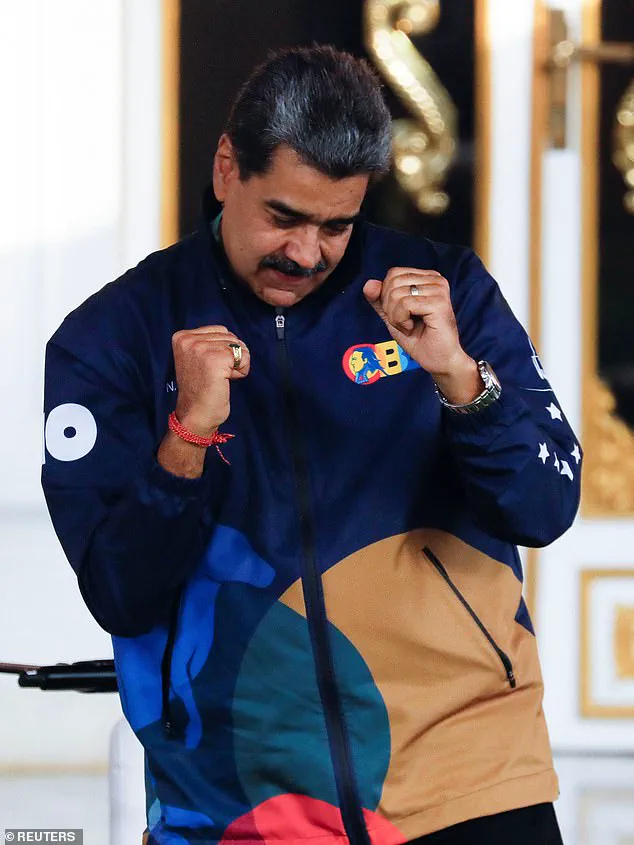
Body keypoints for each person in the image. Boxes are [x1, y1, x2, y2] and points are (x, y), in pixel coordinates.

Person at [42, 45, 580, 845]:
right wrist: (188, 433)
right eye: (284, 216)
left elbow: (544, 507)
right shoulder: (111, 337)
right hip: (233, 803)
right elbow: (121, 593)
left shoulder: (449, 295)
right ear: (227, 168)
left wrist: (462, 380)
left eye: (336, 225)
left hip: (470, 783)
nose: (306, 252)